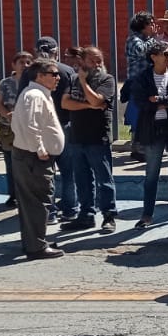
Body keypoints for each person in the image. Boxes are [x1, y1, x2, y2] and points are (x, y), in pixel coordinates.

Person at [130, 39, 168, 228]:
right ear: (153, 57)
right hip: (152, 130)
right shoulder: (143, 77)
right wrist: (162, 103)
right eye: (165, 54)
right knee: (151, 174)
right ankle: (147, 214)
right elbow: (140, 101)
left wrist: (161, 100)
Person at [11, 57, 67, 259]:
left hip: (32, 155)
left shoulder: (39, 94)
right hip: (34, 157)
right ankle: (36, 247)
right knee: (38, 200)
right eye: (53, 74)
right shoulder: (35, 95)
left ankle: (35, 241)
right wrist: (40, 149)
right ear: (40, 76)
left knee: (33, 201)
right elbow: (30, 125)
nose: (58, 77)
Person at [59, 45, 118, 232]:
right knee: (82, 180)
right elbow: (65, 103)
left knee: (104, 179)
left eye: (99, 59)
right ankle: (86, 215)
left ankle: (109, 215)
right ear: (82, 62)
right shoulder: (73, 79)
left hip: (97, 138)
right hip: (77, 137)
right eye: (92, 60)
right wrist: (89, 105)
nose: (97, 63)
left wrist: (84, 85)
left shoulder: (107, 80)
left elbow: (96, 101)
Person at [31, 37, 79, 223]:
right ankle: (70, 209)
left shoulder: (31, 72)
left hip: (41, 127)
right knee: (68, 171)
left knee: (45, 172)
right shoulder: (66, 71)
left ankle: (49, 212)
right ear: (56, 52)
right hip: (64, 124)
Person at [0, 50, 33, 209]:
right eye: (21, 62)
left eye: (28, 62)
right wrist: (8, 115)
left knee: (29, 162)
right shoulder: (5, 83)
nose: (25, 65)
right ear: (13, 65)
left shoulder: (34, 82)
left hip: (29, 128)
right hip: (9, 129)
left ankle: (29, 194)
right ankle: (13, 195)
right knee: (11, 162)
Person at [124, 12, 156, 164]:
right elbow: (142, 50)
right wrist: (152, 39)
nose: (153, 27)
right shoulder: (134, 40)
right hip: (137, 83)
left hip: (146, 82)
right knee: (137, 115)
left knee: (145, 115)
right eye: (150, 24)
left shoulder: (147, 40)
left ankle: (141, 147)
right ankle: (137, 148)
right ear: (142, 26)